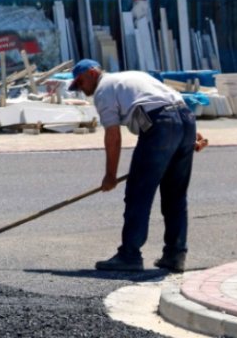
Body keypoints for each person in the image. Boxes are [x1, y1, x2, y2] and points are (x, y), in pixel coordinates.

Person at [69, 60, 209, 272]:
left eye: (80, 81)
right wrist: (188, 137)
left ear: (92, 73)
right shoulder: (133, 77)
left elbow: (113, 136)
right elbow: (173, 104)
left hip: (161, 125)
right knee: (175, 195)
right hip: (184, 119)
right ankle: (175, 254)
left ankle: (129, 255)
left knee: (138, 192)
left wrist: (110, 176)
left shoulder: (104, 89)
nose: (80, 87)